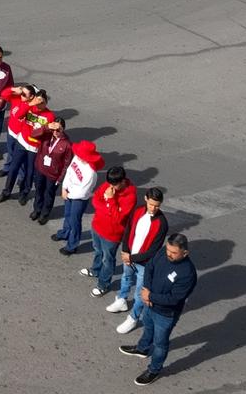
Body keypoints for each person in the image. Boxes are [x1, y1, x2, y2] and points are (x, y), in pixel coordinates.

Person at [120, 234, 198, 386]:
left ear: (185, 253)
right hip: (149, 304)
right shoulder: (164, 252)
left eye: (174, 252)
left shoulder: (188, 273)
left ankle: (154, 370)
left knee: (160, 343)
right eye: (168, 249)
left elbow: (174, 299)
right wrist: (146, 290)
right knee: (148, 328)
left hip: (166, 314)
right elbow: (150, 267)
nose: (169, 254)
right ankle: (142, 349)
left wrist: (150, 296)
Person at [107, 188, 170, 335]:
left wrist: (131, 258)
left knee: (139, 294)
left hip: (144, 264)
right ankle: (121, 300)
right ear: (146, 199)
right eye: (151, 204)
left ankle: (133, 318)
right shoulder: (138, 211)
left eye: (157, 206)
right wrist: (125, 251)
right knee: (126, 278)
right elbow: (128, 230)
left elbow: (154, 250)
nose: (153, 208)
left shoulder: (162, 223)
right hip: (129, 256)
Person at [83, 165, 138, 297]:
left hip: (111, 235)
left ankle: (103, 284)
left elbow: (118, 218)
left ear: (123, 181)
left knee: (108, 259)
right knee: (98, 251)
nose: (111, 187)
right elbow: (95, 201)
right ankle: (96, 270)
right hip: (97, 226)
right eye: (110, 184)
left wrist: (110, 200)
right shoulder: (108, 184)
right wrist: (109, 207)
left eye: (114, 185)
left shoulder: (130, 196)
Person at [0, 87, 55, 205]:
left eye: (42, 102)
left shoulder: (49, 116)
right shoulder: (29, 107)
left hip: (34, 148)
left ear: (46, 103)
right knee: (14, 168)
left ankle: (24, 192)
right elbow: (18, 115)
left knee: (29, 172)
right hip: (22, 142)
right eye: (38, 101)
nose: (39, 105)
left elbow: (48, 136)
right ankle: (6, 191)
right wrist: (30, 104)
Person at [54, 140, 103, 256]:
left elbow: (83, 191)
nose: (79, 157)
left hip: (79, 199)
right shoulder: (76, 158)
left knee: (75, 221)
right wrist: (64, 188)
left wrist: (68, 194)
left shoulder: (91, 173)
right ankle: (65, 233)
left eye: (82, 156)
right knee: (67, 214)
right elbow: (69, 172)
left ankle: (72, 245)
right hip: (69, 192)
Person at [29, 117, 72, 224]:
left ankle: (45, 213)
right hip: (41, 169)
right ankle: (37, 209)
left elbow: (67, 164)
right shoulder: (47, 134)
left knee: (49, 194)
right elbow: (33, 134)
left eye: (58, 130)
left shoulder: (67, 144)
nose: (55, 132)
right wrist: (47, 127)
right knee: (39, 190)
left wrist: (60, 178)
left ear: (63, 129)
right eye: (53, 129)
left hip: (53, 174)